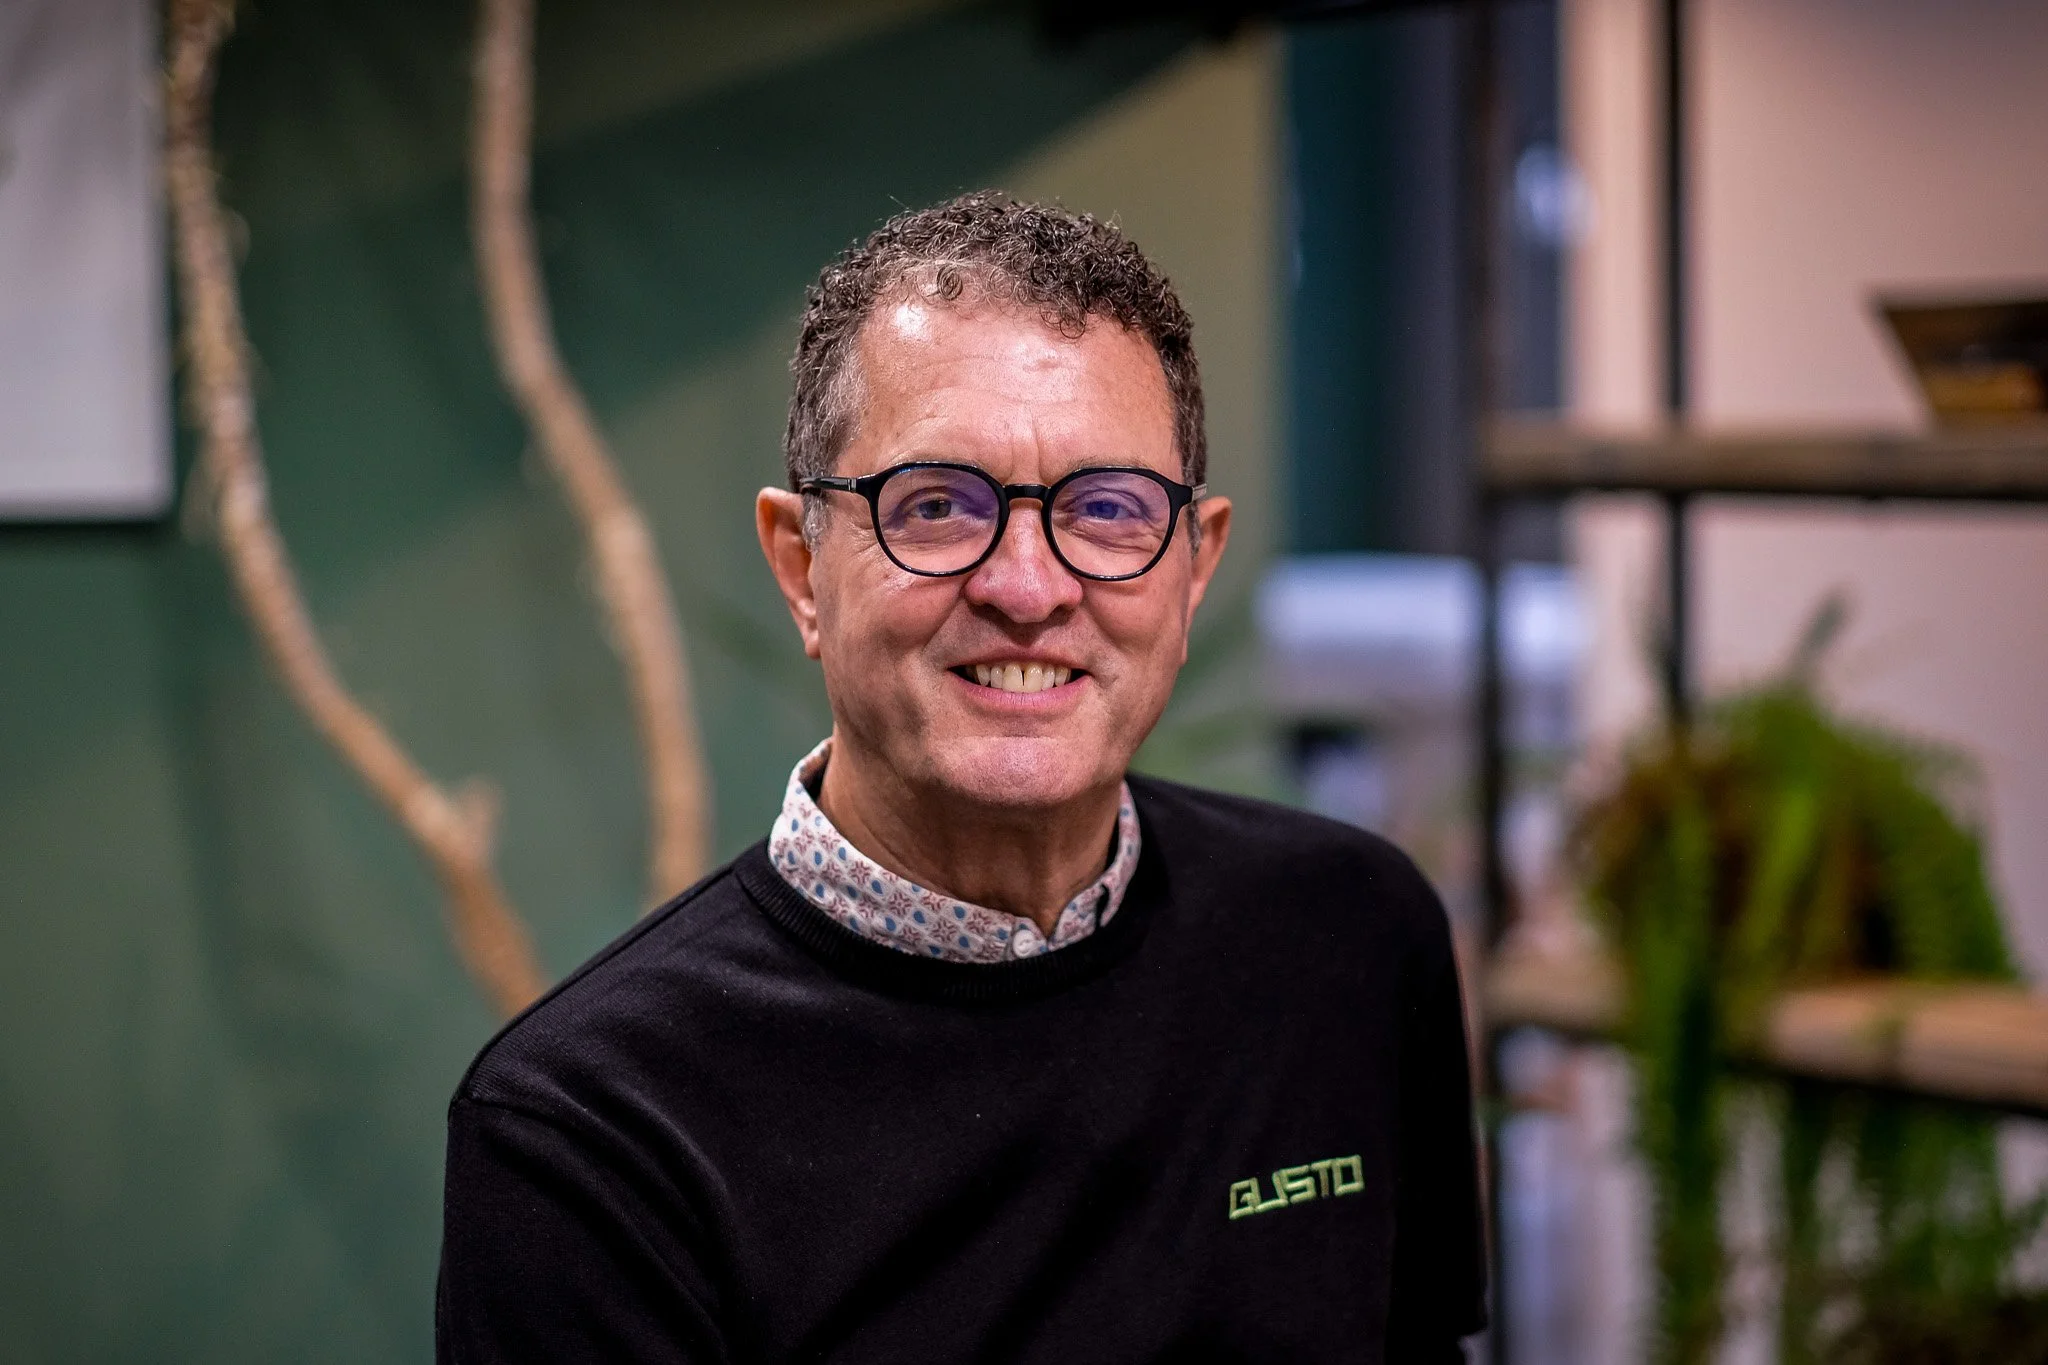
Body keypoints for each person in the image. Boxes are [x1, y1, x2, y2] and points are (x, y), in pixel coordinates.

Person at [436, 192, 1487, 1363]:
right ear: (801, 569)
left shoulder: (1345, 937)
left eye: (1107, 509)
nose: (1027, 588)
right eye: (935, 507)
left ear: (1192, 572)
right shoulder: (591, 1129)